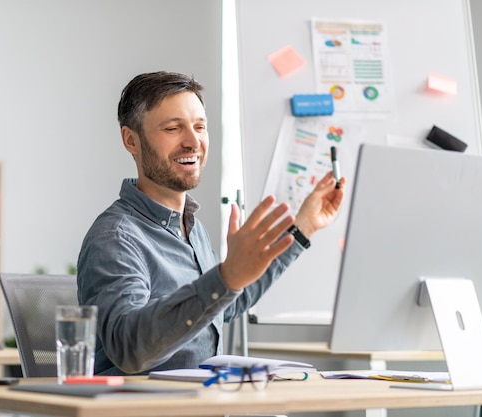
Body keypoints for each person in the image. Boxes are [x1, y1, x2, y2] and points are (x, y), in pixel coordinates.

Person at [77, 71, 346, 376]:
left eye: (200, 127)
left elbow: (225, 302)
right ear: (131, 140)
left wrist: (303, 228)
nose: (193, 142)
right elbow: (129, 349)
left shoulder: (192, 228)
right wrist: (224, 279)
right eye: (173, 128)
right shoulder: (116, 238)